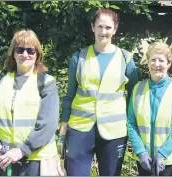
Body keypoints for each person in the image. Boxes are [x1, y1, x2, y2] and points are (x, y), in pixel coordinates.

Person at [58, 8, 139, 176]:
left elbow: (134, 99)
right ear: (92, 27)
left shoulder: (126, 59)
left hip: (114, 130)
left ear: (115, 29)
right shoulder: (78, 58)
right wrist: (63, 128)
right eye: (100, 26)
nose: (104, 32)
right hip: (79, 129)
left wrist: (133, 129)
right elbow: (69, 96)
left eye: (108, 28)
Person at [0, 29, 63, 176]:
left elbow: (48, 123)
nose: (25, 55)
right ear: (13, 53)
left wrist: (22, 150)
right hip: (2, 159)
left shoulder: (46, 82)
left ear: (37, 54)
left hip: (37, 161)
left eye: (30, 51)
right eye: (19, 49)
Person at [127, 42, 172, 176]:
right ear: (148, 62)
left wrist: (163, 153)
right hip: (144, 160)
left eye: (161, 60)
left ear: (168, 63)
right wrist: (140, 152)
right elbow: (131, 123)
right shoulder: (137, 88)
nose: (156, 64)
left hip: (169, 161)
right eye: (153, 60)